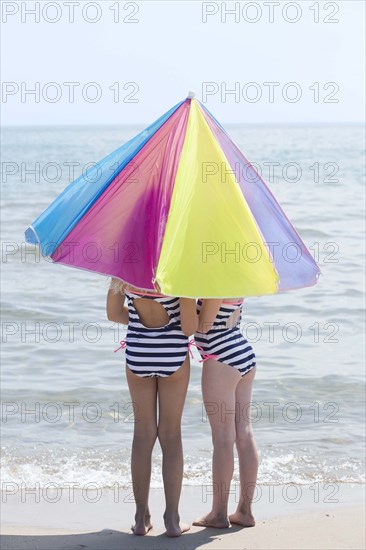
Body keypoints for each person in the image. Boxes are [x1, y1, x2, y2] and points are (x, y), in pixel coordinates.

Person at [106, 278, 198, 537]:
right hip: (172, 356)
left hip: (138, 354)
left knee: (143, 434)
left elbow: (114, 313)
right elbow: (189, 328)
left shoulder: (123, 274)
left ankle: (140, 517)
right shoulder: (179, 275)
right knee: (171, 435)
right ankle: (172, 519)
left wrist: (139, 323)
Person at [192, 298, 258, 529]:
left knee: (222, 438)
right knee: (244, 433)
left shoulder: (216, 283)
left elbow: (202, 325)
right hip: (242, 351)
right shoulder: (236, 275)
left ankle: (219, 513)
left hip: (221, 358)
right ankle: (245, 511)